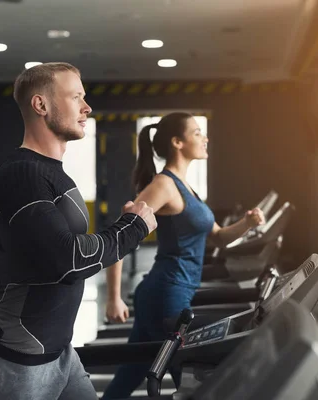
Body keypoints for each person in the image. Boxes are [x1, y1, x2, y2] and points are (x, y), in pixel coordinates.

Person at [0, 62, 157, 400]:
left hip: (59, 354)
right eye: (75, 96)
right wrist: (133, 227)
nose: (87, 107)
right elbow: (67, 260)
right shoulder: (22, 174)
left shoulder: (49, 173)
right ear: (41, 105)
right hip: (16, 363)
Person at [101, 112, 265, 399]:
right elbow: (119, 237)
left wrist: (247, 224)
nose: (205, 138)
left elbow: (219, 237)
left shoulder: (185, 186)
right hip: (167, 294)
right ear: (177, 142)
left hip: (168, 292)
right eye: (197, 133)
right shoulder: (164, 186)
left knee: (129, 377)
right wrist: (113, 297)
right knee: (188, 379)